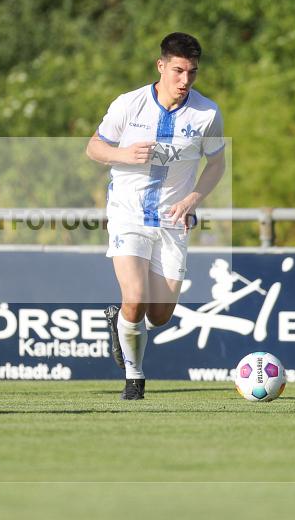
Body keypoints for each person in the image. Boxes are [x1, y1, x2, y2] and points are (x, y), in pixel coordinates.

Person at [85, 32, 226, 400]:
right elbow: (94, 147)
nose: (184, 81)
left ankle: (121, 322)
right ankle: (135, 379)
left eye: (192, 73)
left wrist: (194, 198)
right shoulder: (128, 105)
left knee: (160, 314)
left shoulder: (207, 113)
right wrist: (122, 155)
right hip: (127, 214)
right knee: (134, 296)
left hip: (172, 222)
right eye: (178, 71)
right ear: (161, 65)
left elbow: (216, 164)